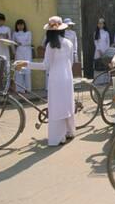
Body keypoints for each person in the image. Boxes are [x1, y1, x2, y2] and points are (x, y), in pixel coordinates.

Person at [16, 16, 75, 146]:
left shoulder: (50, 46)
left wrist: (26, 64)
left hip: (55, 78)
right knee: (66, 104)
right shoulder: (69, 43)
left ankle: (59, 137)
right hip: (67, 77)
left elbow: (45, 66)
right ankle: (69, 132)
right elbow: (71, 62)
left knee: (56, 107)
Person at [12, 19, 32, 93]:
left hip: (27, 52)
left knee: (27, 69)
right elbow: (12, 44)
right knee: (19, 69)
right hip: (19, 52)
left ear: (24, 25)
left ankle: (28, 88)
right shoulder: (15, 33)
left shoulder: (28, 33)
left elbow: (29, 42)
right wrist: (14, 53)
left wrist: (21, 43)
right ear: (16, 26)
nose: (20, 26)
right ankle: (20, 89)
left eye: (21, 24)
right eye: (18, 25)